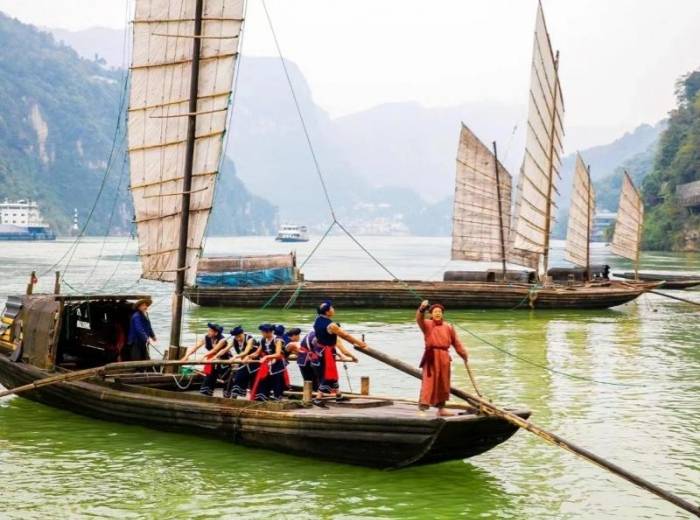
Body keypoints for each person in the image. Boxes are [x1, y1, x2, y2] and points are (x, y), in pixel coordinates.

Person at [415, 300, 468, 416]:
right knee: (429, 381)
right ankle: (423, 407)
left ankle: (441, 408)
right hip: (431, 356)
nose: (437, 313)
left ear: (442, 314)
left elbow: (456, 343)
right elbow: (419, 318)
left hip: (444, 357)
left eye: (439, 312)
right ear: (431, 314)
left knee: (443, 382)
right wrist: (422, 308)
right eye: (435, 312)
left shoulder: (448, 327)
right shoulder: (427, 324)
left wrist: (463, 354)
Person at [313, 300, 364, 404]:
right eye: (331, 308)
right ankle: (318, 398)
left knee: (330, 373)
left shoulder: (317, 320)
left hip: (320, 350)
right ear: (327, 312)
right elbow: (345, 336)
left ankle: (338, 395)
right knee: (328, 374)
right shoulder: (331, 325)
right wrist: (361, 343)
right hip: (326, 352)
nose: (333, 309)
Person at [181, 323, 229, 396]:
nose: (208, 332)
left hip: (224, 361)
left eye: (210, 331)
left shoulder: (222, 340)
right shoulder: (206, 338)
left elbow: (215, 350)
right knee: (209, 378)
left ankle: (228, 396)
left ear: (216, 333)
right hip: (212, 361)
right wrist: (186, 356)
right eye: (208, 330)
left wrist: (203, 356)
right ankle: (207, 394)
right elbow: (196, 347)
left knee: (226, 379)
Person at [250, 324, 288, 401]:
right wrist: (249, 356)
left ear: (269, 332)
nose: (262, 334)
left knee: (277, 381)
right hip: (267, 364)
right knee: (263, 380)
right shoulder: (263, 340)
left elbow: (277, 354)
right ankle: (263, 397)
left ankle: (277, 398)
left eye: (263, 332)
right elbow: (257, 353)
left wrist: (266, 357)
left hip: (277, 364)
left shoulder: (277, 340)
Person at [221, 326, 256, 398]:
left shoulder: (250, 339)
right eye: (236, 337)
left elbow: (246, 352)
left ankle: (252, 396)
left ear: (243, 333)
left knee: (247, 379)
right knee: (237, 377)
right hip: (243, 362)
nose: (238, 338)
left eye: (239, 336)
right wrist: (215, 357)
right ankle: (234, 396)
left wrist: (235, 357)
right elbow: (225, 349)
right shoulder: (235, 340)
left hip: (254, 362)